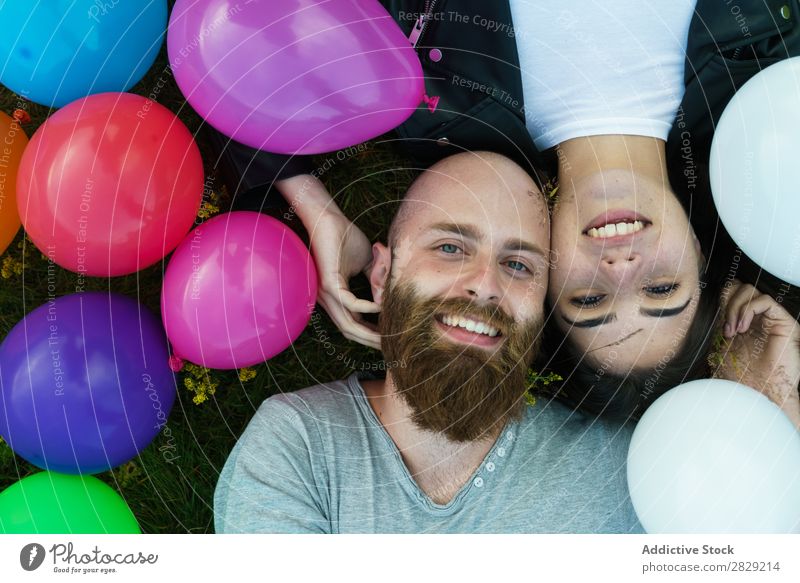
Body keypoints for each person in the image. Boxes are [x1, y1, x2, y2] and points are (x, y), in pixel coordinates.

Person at [207, 0, 800, 417]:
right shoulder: (762, 89)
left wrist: (315, 208)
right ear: (701, 254)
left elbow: (245, 49)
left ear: (542, 273)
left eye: (588, 300)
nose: (621, 271)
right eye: (663, 289)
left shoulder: (436, 102)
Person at [214, 151, 643, 533]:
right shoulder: (298, 446)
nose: (485, 284)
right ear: (382, 276)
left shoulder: (622, 470)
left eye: (518, 264)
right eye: (450, 248)